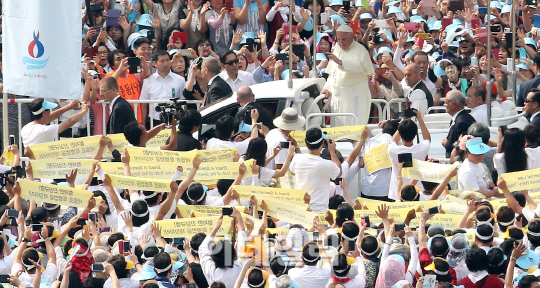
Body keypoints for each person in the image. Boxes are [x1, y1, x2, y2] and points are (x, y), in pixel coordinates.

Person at [320, 24, 375, 126]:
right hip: (337, 98)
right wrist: (326, 88)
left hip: (354, 99)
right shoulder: (337, 49)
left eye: (344, 39)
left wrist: (341, 62)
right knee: (337, 130)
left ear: (352, 37)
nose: (341, 43)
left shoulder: (360, 50)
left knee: (352, 130)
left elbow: (358, 67)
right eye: (339, 39)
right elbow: (333, 74)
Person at [290, 127, 341, 212]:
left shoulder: (296, 158)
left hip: (301, 210)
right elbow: (339, 171)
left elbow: (292, 172)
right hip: (319, 211)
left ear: (306, 143)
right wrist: (332, 151)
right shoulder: (327, 164)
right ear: (322, 144)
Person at [387, 109, 431, 201]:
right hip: (417, 192)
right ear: (415, 134)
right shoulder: (421, 149)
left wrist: (404, 120)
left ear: (399, 133)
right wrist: (419, 119)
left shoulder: (392, 150)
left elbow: (394, 140)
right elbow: (427, 138)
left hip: (396, 194)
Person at [140, 50, 186, 128]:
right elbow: (143, 104)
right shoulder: (148, 81)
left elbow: (184, 101)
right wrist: (143, 124)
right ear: (155, 64)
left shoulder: (180, 80)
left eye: (167, 60)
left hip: (175, 121)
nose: (165, 63)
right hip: (154, 121)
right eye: (162, 61)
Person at [21, 98, 89, 147]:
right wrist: (83, 111)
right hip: (42, 165)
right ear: (44, 113)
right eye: (49, 110)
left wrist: (68, 107)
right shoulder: (44, 130)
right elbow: (69, 122)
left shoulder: (26, 127)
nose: (50, 112)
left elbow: (49, 118)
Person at [359, 120, 399, 201]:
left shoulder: (369, 142)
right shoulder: (394, 144)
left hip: (367, 189)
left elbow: (361, 163)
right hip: (385, 190)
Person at [442, 90, 476, 158]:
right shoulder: (460, 118)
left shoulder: (462, 122)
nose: (444, 105)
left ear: (453, 105)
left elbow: (462, 147)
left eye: (446, 103)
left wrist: (446, 144)